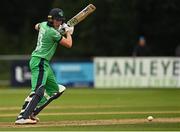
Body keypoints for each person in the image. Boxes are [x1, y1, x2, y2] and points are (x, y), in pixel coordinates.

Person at [15, 8, 74, 125]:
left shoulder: (43, 25)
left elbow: (36, 26)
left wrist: (59, 29)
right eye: (57, 20)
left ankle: (32, 112)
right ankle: (23, 117)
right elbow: (69, 44)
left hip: (44, 62)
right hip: (40, 61)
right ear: (51, 19)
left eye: (61, 21)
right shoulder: (52, 32)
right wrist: (68, 32)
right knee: (38, 90)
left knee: (56, 90)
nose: (59, 22)